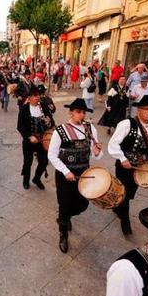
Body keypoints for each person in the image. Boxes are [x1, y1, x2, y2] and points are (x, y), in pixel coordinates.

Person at [108, 95, 148, 235]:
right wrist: (122, 158)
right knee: (124, 192)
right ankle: (125, 220)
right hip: (125, 166)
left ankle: (118, 207)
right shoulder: (127, 124)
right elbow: (113, 144)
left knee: (130, 192)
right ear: (138, 110)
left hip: (143, 168)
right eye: (146, 109)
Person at [47, 98, 103, 253]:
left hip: (84, 173)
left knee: (82, 204)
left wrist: (97, 151)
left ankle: (64, 217)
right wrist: (66, 172)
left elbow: (95, 152)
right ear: (71, 112)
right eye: (78, 112)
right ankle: (63, 232)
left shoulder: (90, 129)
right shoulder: (61, 130)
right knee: (64, 204)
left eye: (84, 112)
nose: (82, 115)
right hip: (66, 174)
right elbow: (52, 155)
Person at [17, 86, 54, 190]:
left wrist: (49, 120)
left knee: (44, 161)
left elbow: (50, 119)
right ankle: (26, 180)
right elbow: (20, 126)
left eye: (38, 95)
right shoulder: (24, 109)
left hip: (42, 139)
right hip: (29, 140)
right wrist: (29, 136)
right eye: (35, 96)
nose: (38, 98)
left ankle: (36, 178)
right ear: (29, 97)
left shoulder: (43, 106)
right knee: (28, 162)